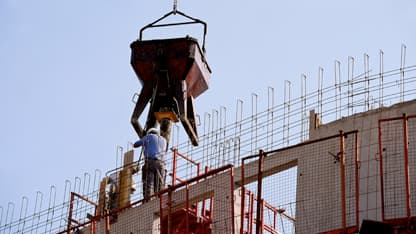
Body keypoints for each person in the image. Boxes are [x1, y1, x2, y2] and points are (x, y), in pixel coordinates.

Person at [133, 128, 167, 200]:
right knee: (159, 184)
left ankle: (147, 200)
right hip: (161, 164)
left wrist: (144, 142)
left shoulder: (149, 136)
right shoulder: (164, 140)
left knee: (148, 183)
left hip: (150, 162)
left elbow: (136, 144)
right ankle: (160, 199)